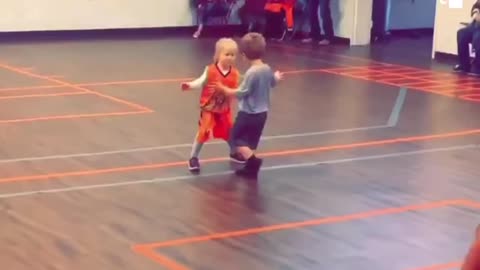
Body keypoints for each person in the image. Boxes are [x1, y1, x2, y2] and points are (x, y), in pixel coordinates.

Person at [216, 33, 283, 178]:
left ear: (244, 55)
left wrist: (226, 90)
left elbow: (242, 92)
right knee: (250, 142)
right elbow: (272, 82)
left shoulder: (251, 73)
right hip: (262, 113)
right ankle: (250, 168)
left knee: (235, 139)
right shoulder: (266, 68)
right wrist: (277, 77)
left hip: (248, 113)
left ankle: (253, 161)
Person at [181, 38, 245, 172]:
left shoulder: (235, 73)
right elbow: (200, 81)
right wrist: (190, 85)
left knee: (229, 131)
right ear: (218, 55)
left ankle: (234, 152)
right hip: (209, 108)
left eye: (232, 55)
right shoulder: (210, 70)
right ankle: (193, 157)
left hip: (224, 109)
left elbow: (243, 85)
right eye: (226, 54)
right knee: (203, 131)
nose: (230, 57)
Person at [454, 0, 480, 74]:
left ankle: (478, 66)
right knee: (461, 33)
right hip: (476, 25)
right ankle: (464, 65)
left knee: (477, 37)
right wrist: (475, 12)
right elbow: (475, 7)